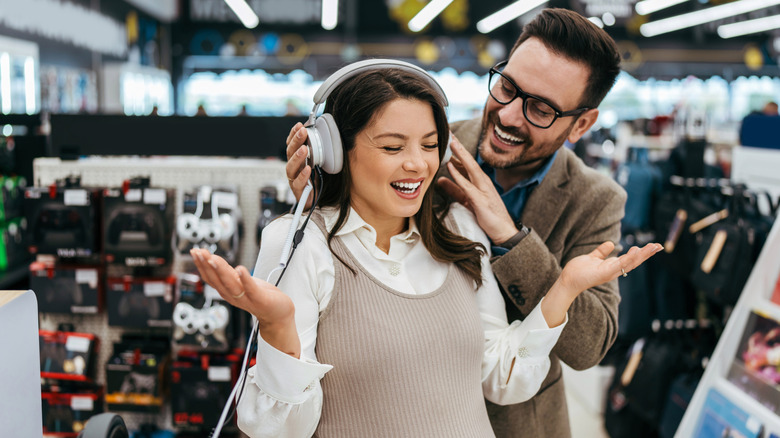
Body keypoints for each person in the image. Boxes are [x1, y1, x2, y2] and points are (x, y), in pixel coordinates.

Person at [193, 63, 660, 437]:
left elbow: (502, 375)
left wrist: (563, 289)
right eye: (393, 146)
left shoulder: (457, 227)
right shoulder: (300, 242)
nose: (417, 163)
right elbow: (280, 430)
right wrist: (278, 328)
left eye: (431, 144)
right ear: (334, 151)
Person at [285, 8, 627, 437]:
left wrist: (509, 238)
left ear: (581, 124)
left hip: (520, 423)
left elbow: (589, 345)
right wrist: (323, 199)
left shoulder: (594, 200)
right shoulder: (426, 148)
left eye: (540, 109)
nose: (509, 115)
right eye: (507, 87)